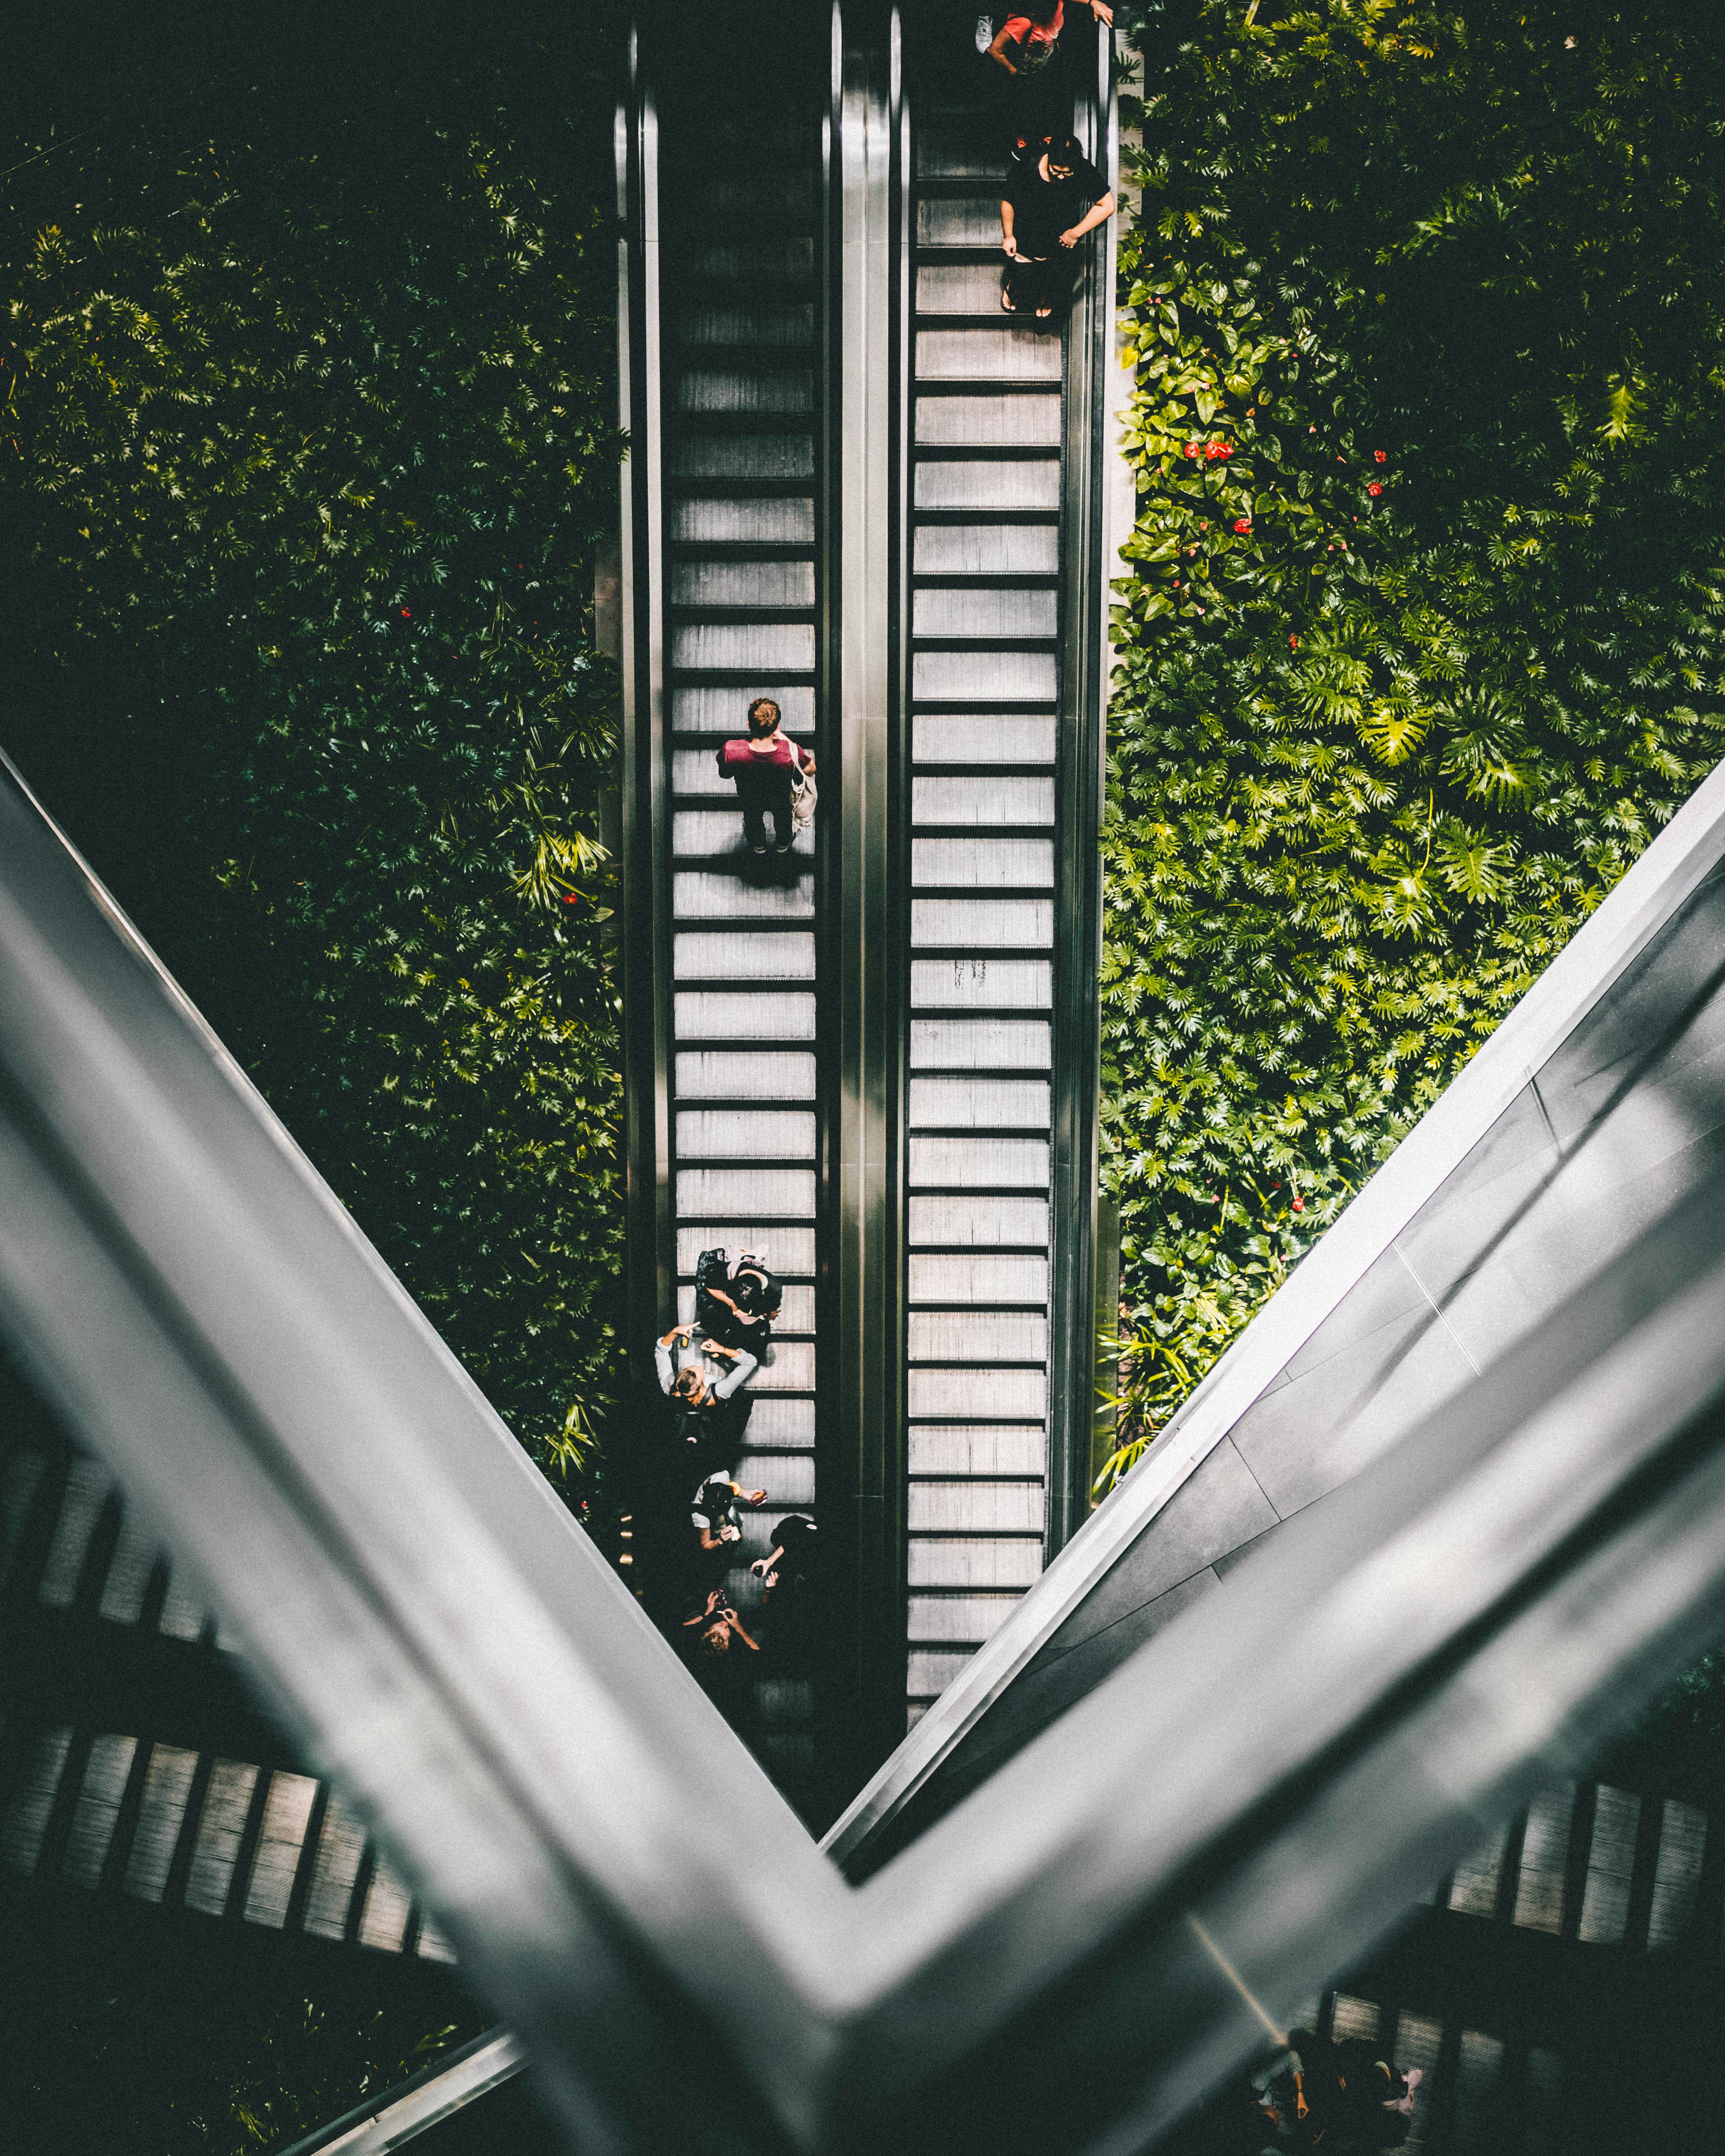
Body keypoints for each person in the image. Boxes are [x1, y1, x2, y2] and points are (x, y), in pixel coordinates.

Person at [1001, 133, 1114, 319]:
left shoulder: (1084, 170)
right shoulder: (1026, 167)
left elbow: (1107, 205)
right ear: (1048, 158)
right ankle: (1013, 287)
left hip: (1061, 236)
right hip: (1027, 232)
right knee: (1023, 270)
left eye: (1067, 173)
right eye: (1056, 171)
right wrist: (1008, 235)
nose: (1062, 177)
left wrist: (1076, 233)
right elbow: (1008, 201)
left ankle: (1045, 298)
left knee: (1054, 274)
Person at [717, 696, 815, 856]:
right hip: (781, 796)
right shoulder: (789, 752)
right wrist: (781, 736)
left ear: (749, 724)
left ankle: (759, 846)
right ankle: (782, 845)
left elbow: (725, 774)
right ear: (777, 726)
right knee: (783, 818)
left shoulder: (731, 750)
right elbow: (810, 769)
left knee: (752, 818)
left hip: (749, 796)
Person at [696, 1246, 783, 1352]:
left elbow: (771, 1309)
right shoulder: (727, 1272)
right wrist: (732, 1304)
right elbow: (710, 1287)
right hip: (725, 1280)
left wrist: (770, 1313)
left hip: (752, 1295)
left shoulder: (775, 1288)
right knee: (705, 1304)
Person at [692, 1473, 768, 1555]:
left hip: (734, 1519)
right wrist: (720, 1540)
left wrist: (744, 1494)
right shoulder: (700, 1516)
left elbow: (732, 1487)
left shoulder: (721, 1478)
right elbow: (705, 1545)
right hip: (716, 1530)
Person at [680, 1586, 761, 1659]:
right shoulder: (735, 1651)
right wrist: (738, 1627)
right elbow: (757, 1651)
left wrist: (707, 1613)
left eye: (719, 1625)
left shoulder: (694, 1637)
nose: (725, 1623)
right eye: (726, 1629)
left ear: (707, 1631)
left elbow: (682, 1627)